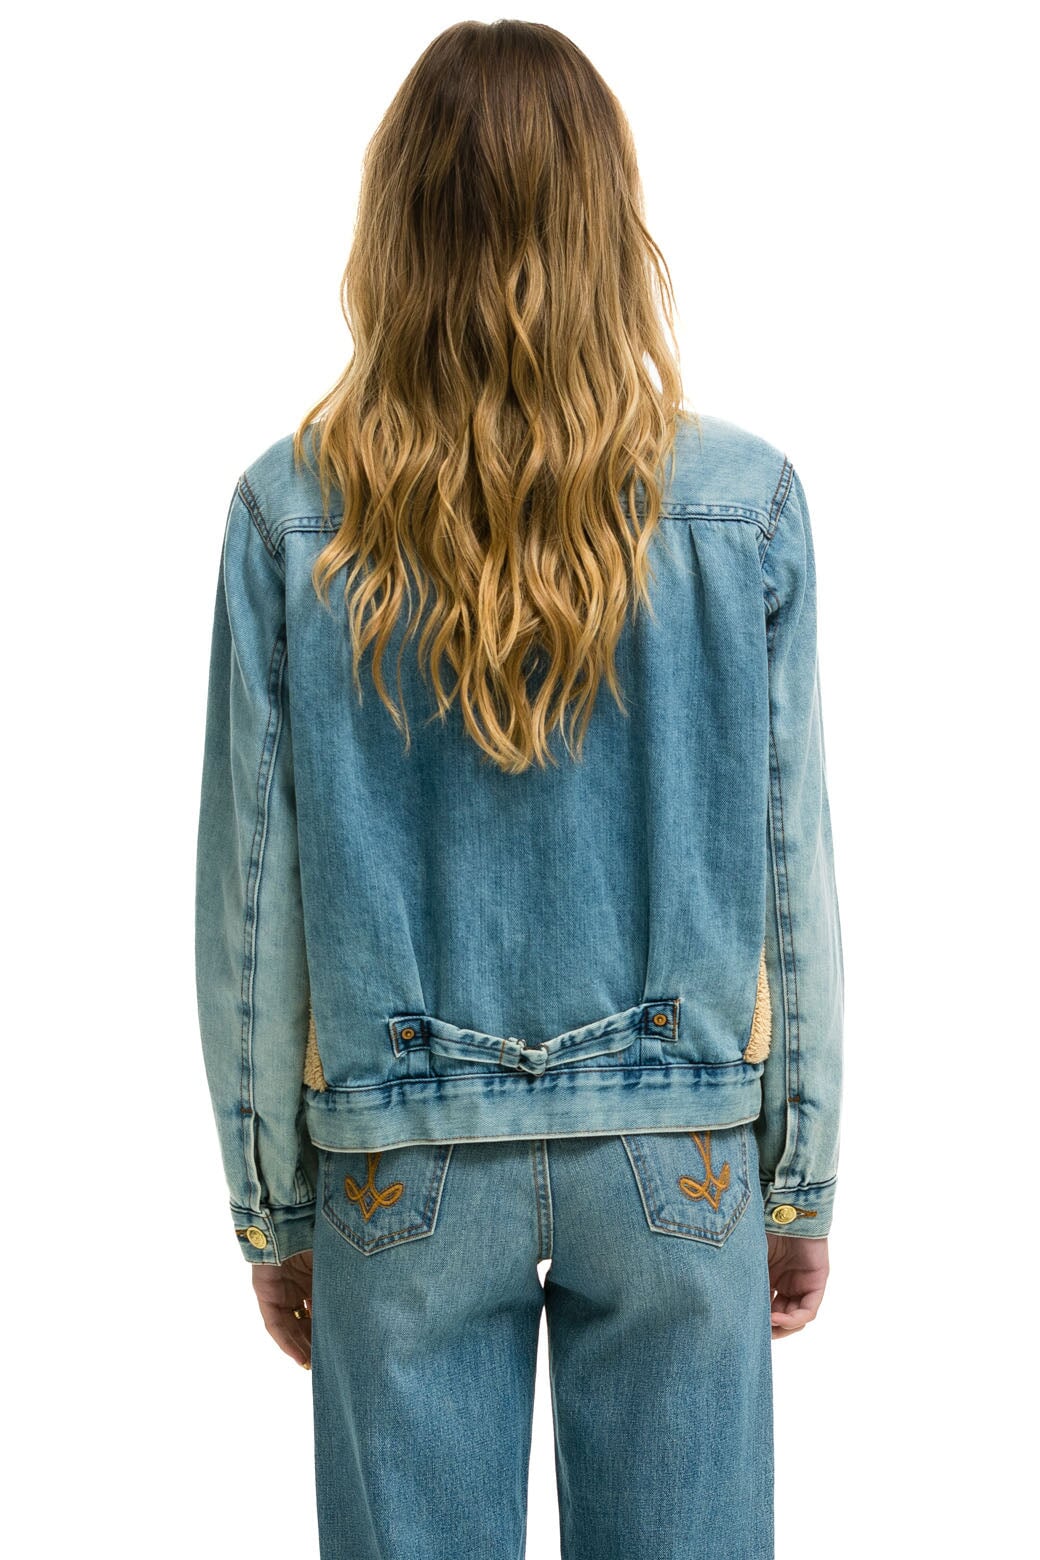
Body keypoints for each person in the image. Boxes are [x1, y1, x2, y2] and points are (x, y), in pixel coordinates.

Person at [194, 19, 844, 1560]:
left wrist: (274, 1198)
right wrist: (797, 1172)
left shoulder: (291, 517)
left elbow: (252, 900)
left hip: (398, 1161)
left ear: (397, 231)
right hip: (680, 1150)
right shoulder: (741, 508)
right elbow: (791, 871)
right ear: (613, 228)